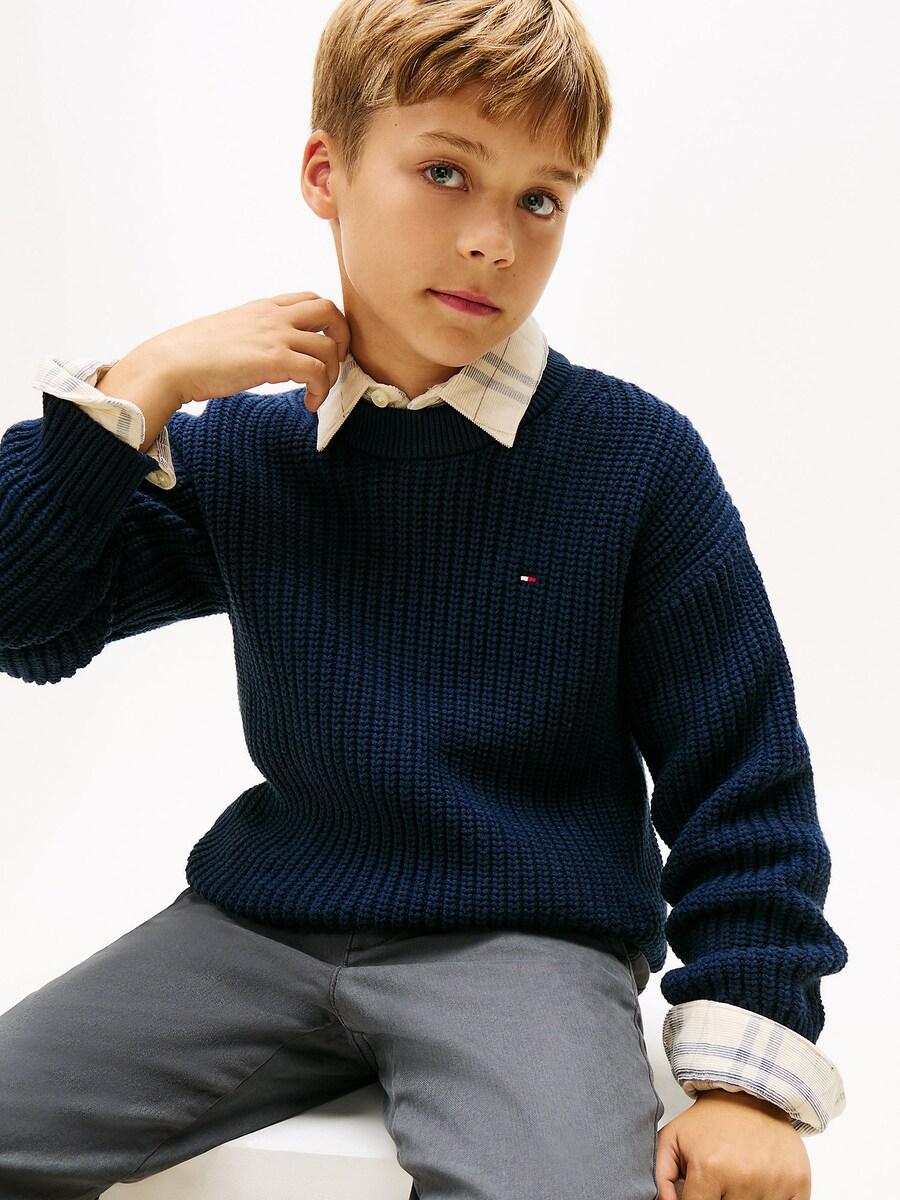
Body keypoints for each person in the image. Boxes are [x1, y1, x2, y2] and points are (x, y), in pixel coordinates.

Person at [0, 1, 847, 1197]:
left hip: (526, 945)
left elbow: (743, 776)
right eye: (446, 172)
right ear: (325, 172)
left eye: (540, 199)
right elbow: (25, 622)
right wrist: (143, 385)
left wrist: (746, 1083)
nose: (494, 241)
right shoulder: (247, 451)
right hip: (253, 928)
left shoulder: (633, 460)